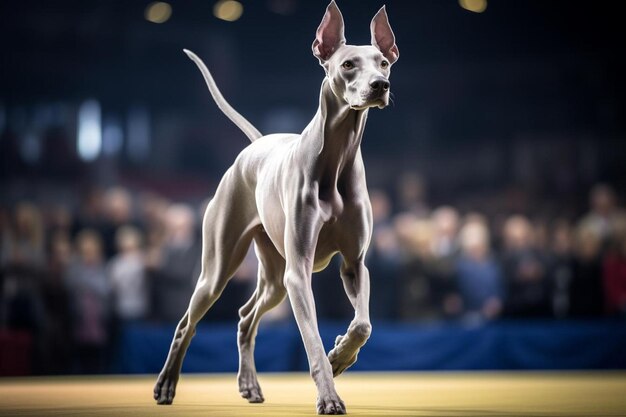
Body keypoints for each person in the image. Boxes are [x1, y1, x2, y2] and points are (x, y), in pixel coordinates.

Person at [65, 229, 111, 374]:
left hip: (98, 319)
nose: (89, 254)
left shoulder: (103, 267)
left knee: (98, 356)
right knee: (79, 354)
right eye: (85, 251)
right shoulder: (74, 268)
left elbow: (105, 289)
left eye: (92, 251)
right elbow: (70, 284)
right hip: (79, 318)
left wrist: (87, 284)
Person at [501, 215, 552, 317]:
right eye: (515, 240)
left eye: (523, 238)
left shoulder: (542, 257)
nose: (520, 244)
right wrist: (518, 276)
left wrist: (539, 273)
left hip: (541, 314)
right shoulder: (502, 261)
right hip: (513, 315)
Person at [456, 220, 503, 321]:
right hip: (468, 314)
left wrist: (497, 301)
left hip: (495, 315)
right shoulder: (460, 267)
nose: (477, 251)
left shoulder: (494, 264)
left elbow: (500, 286)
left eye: (480, 247)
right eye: (473, 248)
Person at [107, 226, 149, 322]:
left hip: (142, 306)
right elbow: (112, 286)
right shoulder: (116, 264)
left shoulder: (144, 260)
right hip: (121, 307)